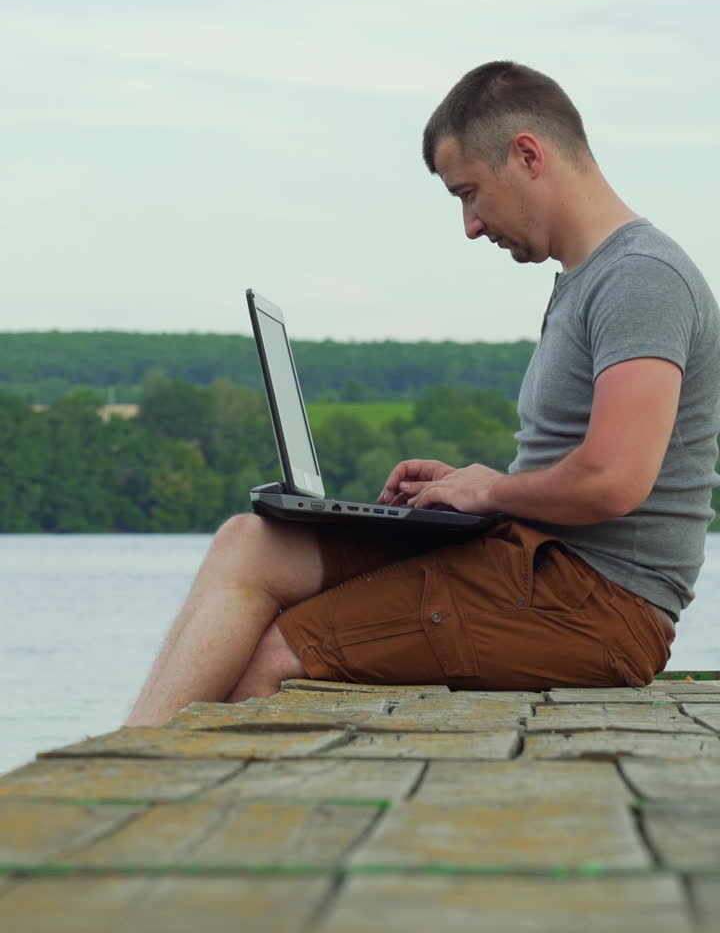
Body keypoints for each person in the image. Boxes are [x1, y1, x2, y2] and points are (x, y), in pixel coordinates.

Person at [127, 60, 720, 726]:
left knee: (275, 656)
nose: (470, 224)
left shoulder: (642, 277)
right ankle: (120, 759)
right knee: (249, 544)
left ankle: (152, 809)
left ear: (528, 154)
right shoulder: (594, 277)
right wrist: (466, 492)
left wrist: (489, 492)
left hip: (600, 605)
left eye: (470, 193)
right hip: (536, 565)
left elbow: (614, 479)